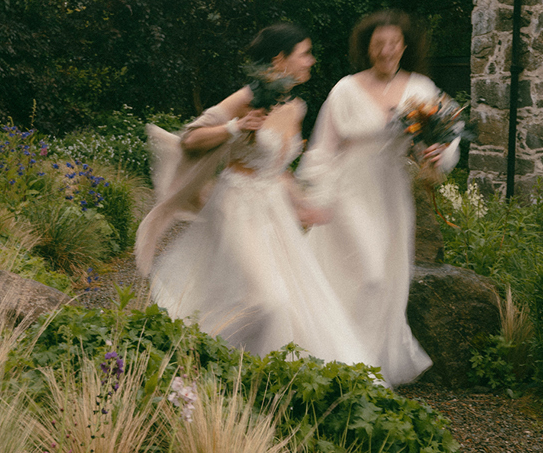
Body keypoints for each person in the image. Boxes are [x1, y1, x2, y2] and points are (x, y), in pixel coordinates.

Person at [135, 24, 374, 366]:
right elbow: (191, 138)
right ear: (280, 58)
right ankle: (192, 357)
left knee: (291, 304)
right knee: (266, 300)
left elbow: (277, 167)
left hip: (273, 210)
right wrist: (236, 126)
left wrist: (302, 203)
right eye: (304, 53)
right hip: (237, 204)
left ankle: (251, 374)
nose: (311, 61)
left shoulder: (295, 107)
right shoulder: (247, 97)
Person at [296, 10, 460, 387]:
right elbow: (322, 148)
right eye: (378, 44)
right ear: (367, 49)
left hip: (390, 194)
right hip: (348, 192)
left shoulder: (422, 87)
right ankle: (344, 362)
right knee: (366, 274)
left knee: (384, 280)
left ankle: (365, 368)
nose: (387, 50)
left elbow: (444, 139)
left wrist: (438, 153)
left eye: (394, 43)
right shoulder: (346, 89)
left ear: (405, 46)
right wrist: (312, 197)